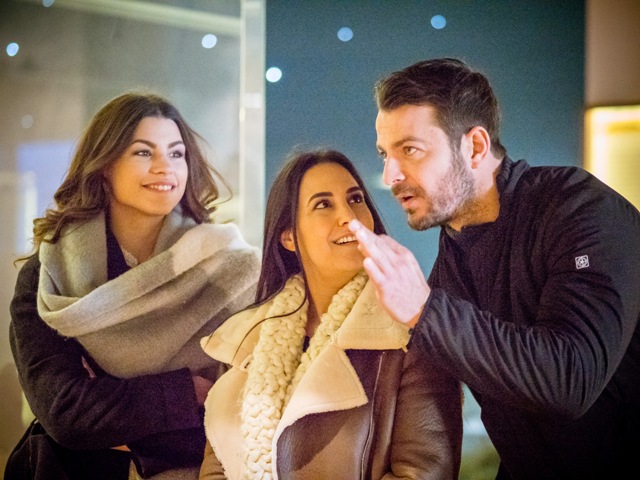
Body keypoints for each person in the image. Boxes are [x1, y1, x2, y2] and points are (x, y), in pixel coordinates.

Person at [347, 57, 640, 480]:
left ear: (475, 147)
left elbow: (571, 379)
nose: (390, 174)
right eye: (384, 154)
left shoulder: (580, 210)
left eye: (409, 150)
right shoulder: (450, 263)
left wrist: (425, 310)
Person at [6, 92, 260, 479]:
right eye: (143, 152)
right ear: (104, 165)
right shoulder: (51, 275)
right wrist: (187, 392)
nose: (165, 167)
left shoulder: (229, 269)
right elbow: (65, 412)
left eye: (176, 153)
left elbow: (249, 408)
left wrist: (114, 407)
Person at [199, 149, 463, 479]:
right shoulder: (244, 339)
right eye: (323, 204)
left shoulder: (411, 335)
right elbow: (218, 466)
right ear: (289, 237)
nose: (349, 216)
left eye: (356, 199)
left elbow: (423, 472)